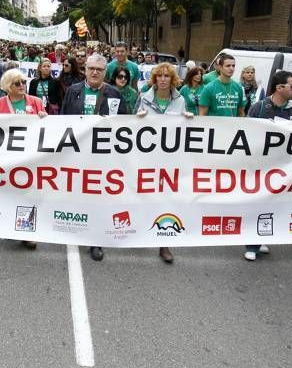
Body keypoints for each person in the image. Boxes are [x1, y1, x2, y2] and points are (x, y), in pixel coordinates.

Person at [62, 54, 128, 261]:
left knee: (99, 199)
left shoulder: (114, 93)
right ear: (85, 69)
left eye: (99, 69)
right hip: (78, 154)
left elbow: (125, 124)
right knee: (78, 195)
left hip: (103, 158)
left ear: (105, 72)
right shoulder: (73, 91)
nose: (95, 72)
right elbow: (62, 121)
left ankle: (95, 240)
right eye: (91, 68)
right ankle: (76, 230)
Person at [135, 62, 193, 264]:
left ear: (172, 79)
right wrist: (137, 119)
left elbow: (185, 129)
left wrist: (188, 119)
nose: (162, 79)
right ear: (154, 79)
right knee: (143, 196)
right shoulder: (144, 98)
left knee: (166, 199)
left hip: (169, 160)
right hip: (147, 159)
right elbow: (129, 125)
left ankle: (164, 244)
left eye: (166, 76)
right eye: (158, 76)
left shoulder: (180, 100)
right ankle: (140, 234)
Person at [244, 70, 292, 261]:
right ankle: (251, 244)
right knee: (256, 203)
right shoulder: (260, 107)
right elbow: (246, 134)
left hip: (281, 168)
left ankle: (260, 238)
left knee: (272, 204)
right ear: (279, 88)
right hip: (259, 166)